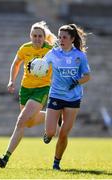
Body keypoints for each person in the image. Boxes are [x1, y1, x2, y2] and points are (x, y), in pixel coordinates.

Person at [0, 21, 58, 168]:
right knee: (29, 123)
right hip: (25, 89)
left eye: (40, 36)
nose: (37, 38)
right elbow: (16, 64)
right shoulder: (25, 48)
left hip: (41, 90)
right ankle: (53, 116)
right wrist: (11, 81)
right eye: (34, 36)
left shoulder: (51, 50)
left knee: (21, 120)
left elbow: (59, 65)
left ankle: (5, 157)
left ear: (44, 37)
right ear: (30, 36)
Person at [42, 24, 91, 170]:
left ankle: (56, 163)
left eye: (64, 37)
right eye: (59, 36)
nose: (61, 39)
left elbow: (87, 76)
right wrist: (35, 66)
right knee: (51, 132)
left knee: (63, 134)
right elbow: (42, 65)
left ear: (72, 39)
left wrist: (76, 81)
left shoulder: (80, 56)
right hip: (56, 95)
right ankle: (49, 133)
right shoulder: (53, 53)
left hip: (73, 98)